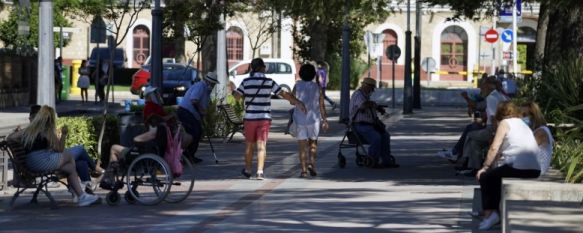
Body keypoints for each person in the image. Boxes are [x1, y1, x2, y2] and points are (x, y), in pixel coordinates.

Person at [229, 58, 306, 180]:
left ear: (252, 68)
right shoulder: (269, 81)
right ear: (262, 68)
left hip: (250, 118)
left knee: (249, 145)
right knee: (262, 145)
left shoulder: (246, 81)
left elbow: (237, 97)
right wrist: (297, 102)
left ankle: (248, 170)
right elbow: (282, 93)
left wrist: (232, 90)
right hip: (264, 118)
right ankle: (260, 172)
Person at [14, 105, 100, 207]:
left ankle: (81, 195)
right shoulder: (46, 130)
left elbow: (10, 137)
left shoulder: (30, 130)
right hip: (41, 161)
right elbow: (59, 149)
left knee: (70, 167)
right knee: (69, 156)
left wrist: (18, 140)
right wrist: (63, 135)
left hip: (31, 162)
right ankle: (76, 191)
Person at [476, 101, 540, 230]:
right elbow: (504, 149)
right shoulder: (522, 124)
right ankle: (494, 213)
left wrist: (484, 167)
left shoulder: (505, 123)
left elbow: (494, 148)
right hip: (534, 169)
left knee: (485, 177)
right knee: (495, 176)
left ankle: (489, 216)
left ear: (500, 113)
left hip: (518, 166)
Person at [460, 76, 509, 174]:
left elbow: (493, 117)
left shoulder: (491, 98)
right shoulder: (501, 96)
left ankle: (462, 159)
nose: (481, 90)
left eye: (482, 88)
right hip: (500, 128)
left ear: (488, 87)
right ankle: (474, 168)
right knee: (474, 143)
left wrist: (494, 134)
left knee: (469, 134)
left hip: (492, 129)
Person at [349, 77, 398, 168]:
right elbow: (362, 106)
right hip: (360, 125)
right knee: (376, 138)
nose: (372, 90)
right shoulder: (358, 95)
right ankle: (373, 159)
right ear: (366, 86)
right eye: (371, 88)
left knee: (385, 136)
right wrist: (372, 104)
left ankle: (386, 161)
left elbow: (369, 105)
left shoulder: (365, 96)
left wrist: (377, 108)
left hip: (371, 124)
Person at [292, 64, 329, 178]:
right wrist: (325, 120)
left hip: (299, 119)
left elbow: (292, 101)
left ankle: (303, 170)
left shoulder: (297, 86)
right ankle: (312, 164)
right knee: (313, 144)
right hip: (314, 119)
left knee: (302, 146)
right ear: (314, 74)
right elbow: (322, 104)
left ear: (300, 74)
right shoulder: (317, 87)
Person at [177, 72, 219, 164]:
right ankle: (186, 156)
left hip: (192, 114)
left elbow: (203, 105)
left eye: (214, 83)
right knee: (193, 133)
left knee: (198, 132)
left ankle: (190, 155)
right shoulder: (200, 86)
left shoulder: (207, 91)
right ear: (207, 81)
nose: (213, 85)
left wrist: (201, 117)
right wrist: (200, 111)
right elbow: (194, 100)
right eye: (212, 83)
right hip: (186, 112)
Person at [521, 101, 554, 176]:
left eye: (525, 115)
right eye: (521, 115)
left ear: (534, 115)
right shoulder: (535, 130)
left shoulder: (541, 132)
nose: (522, 118)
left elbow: (524, 151)